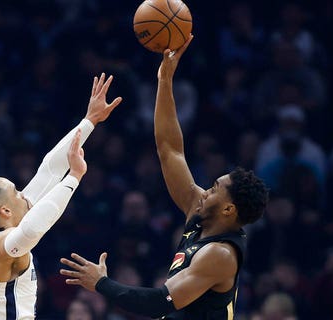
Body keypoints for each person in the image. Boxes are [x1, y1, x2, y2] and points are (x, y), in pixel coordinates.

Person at [60, 36, 269, 319]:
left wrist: (101, 283)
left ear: (229, 209)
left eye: (215, 189)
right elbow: (170, 150)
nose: (206, 190)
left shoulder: (220, 255)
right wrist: (165, 79)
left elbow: (161, 302)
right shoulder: (201, 211)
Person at [0, 73, 122, 320]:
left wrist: (90, 121)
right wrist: (75, 177)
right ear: (5, 212)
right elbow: (32, 231)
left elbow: (49, 171)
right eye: (17, 193)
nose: (24, 194)